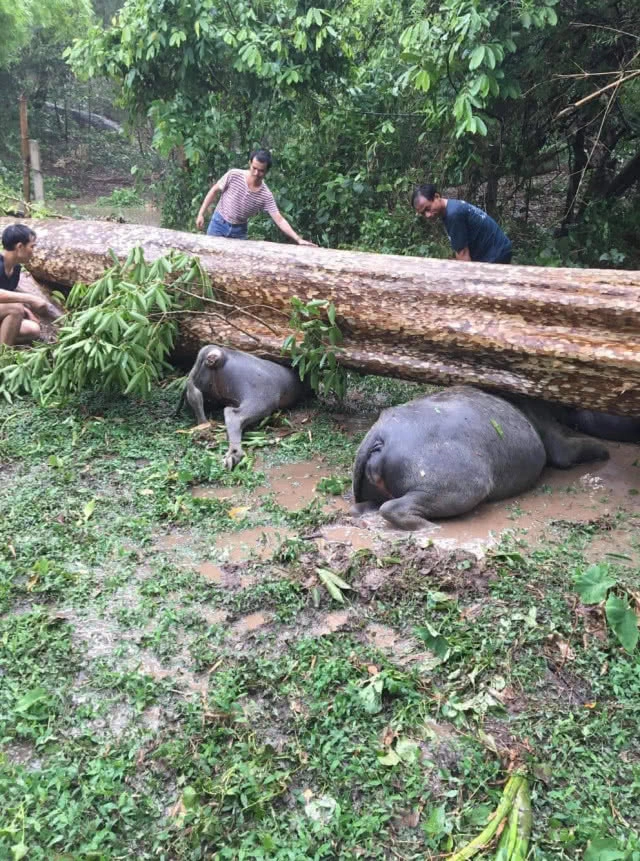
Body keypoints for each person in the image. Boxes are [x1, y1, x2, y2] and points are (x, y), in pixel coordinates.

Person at [196, 149, 316, 246]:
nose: (256, 173)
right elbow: (214, 190)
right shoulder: (234, 175)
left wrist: (298, 239)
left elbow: (279, 219)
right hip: (219, 223)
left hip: (239, 231)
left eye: (261, 171)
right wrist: (201, 213)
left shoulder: (265, 194)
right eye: (254, 168)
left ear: (267, 171)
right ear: (250, 163)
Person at [412, 183, 512, 263]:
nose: (428, 215)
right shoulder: (451, 207)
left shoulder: (453, 214)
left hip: (496, 253)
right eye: (423, 213)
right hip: (497, 249)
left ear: (437, 196)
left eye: (428, 209)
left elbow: (463, 255)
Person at [0, 224, 53, 346]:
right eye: (32, 246)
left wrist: (26, 311)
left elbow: (8, 296)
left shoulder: (15, 268)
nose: (33, 251)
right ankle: (3, 358)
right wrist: (30, 299)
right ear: (19, 246)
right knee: (14, 309)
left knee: (33, 330)